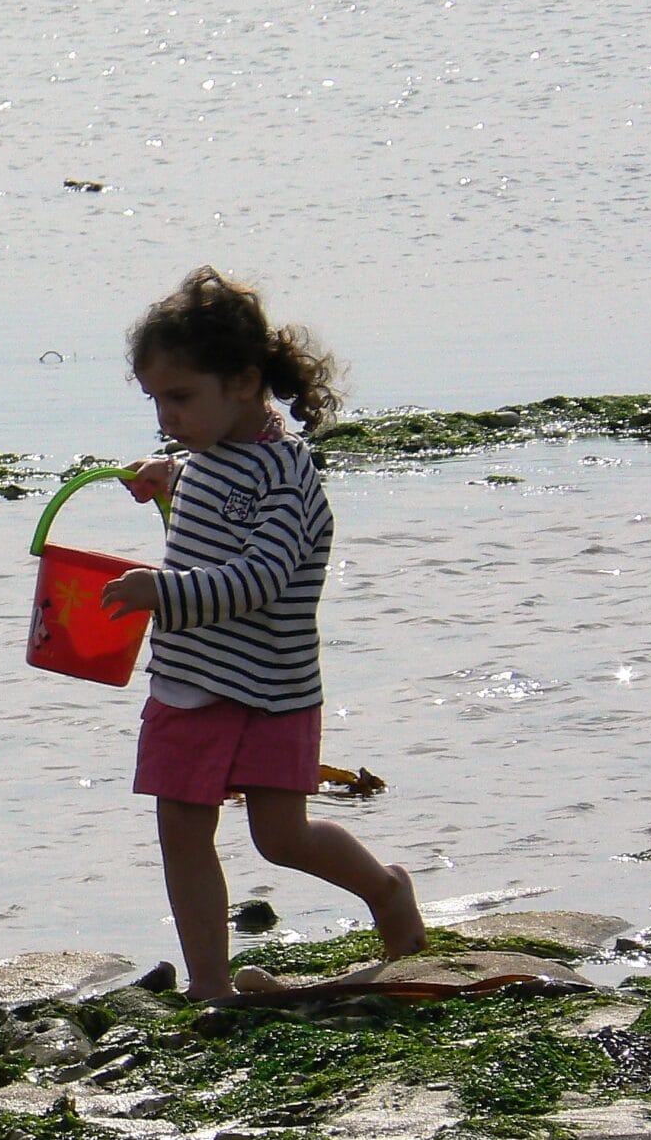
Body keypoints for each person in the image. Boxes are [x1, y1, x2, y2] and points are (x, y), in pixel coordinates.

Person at [101, 267, 427, 1000]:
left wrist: (163, 593)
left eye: (180, 399)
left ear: (245, 383)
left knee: (282, 838)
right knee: (182, 828)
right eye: (157, 401)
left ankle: (386, 892)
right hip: (191, 682)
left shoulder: (285, 474)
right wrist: (172, 477)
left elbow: (261, 576)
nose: (167, 418)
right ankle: (210, 983)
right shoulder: (214, 456)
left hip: (272, 688)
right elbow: (218, 497)